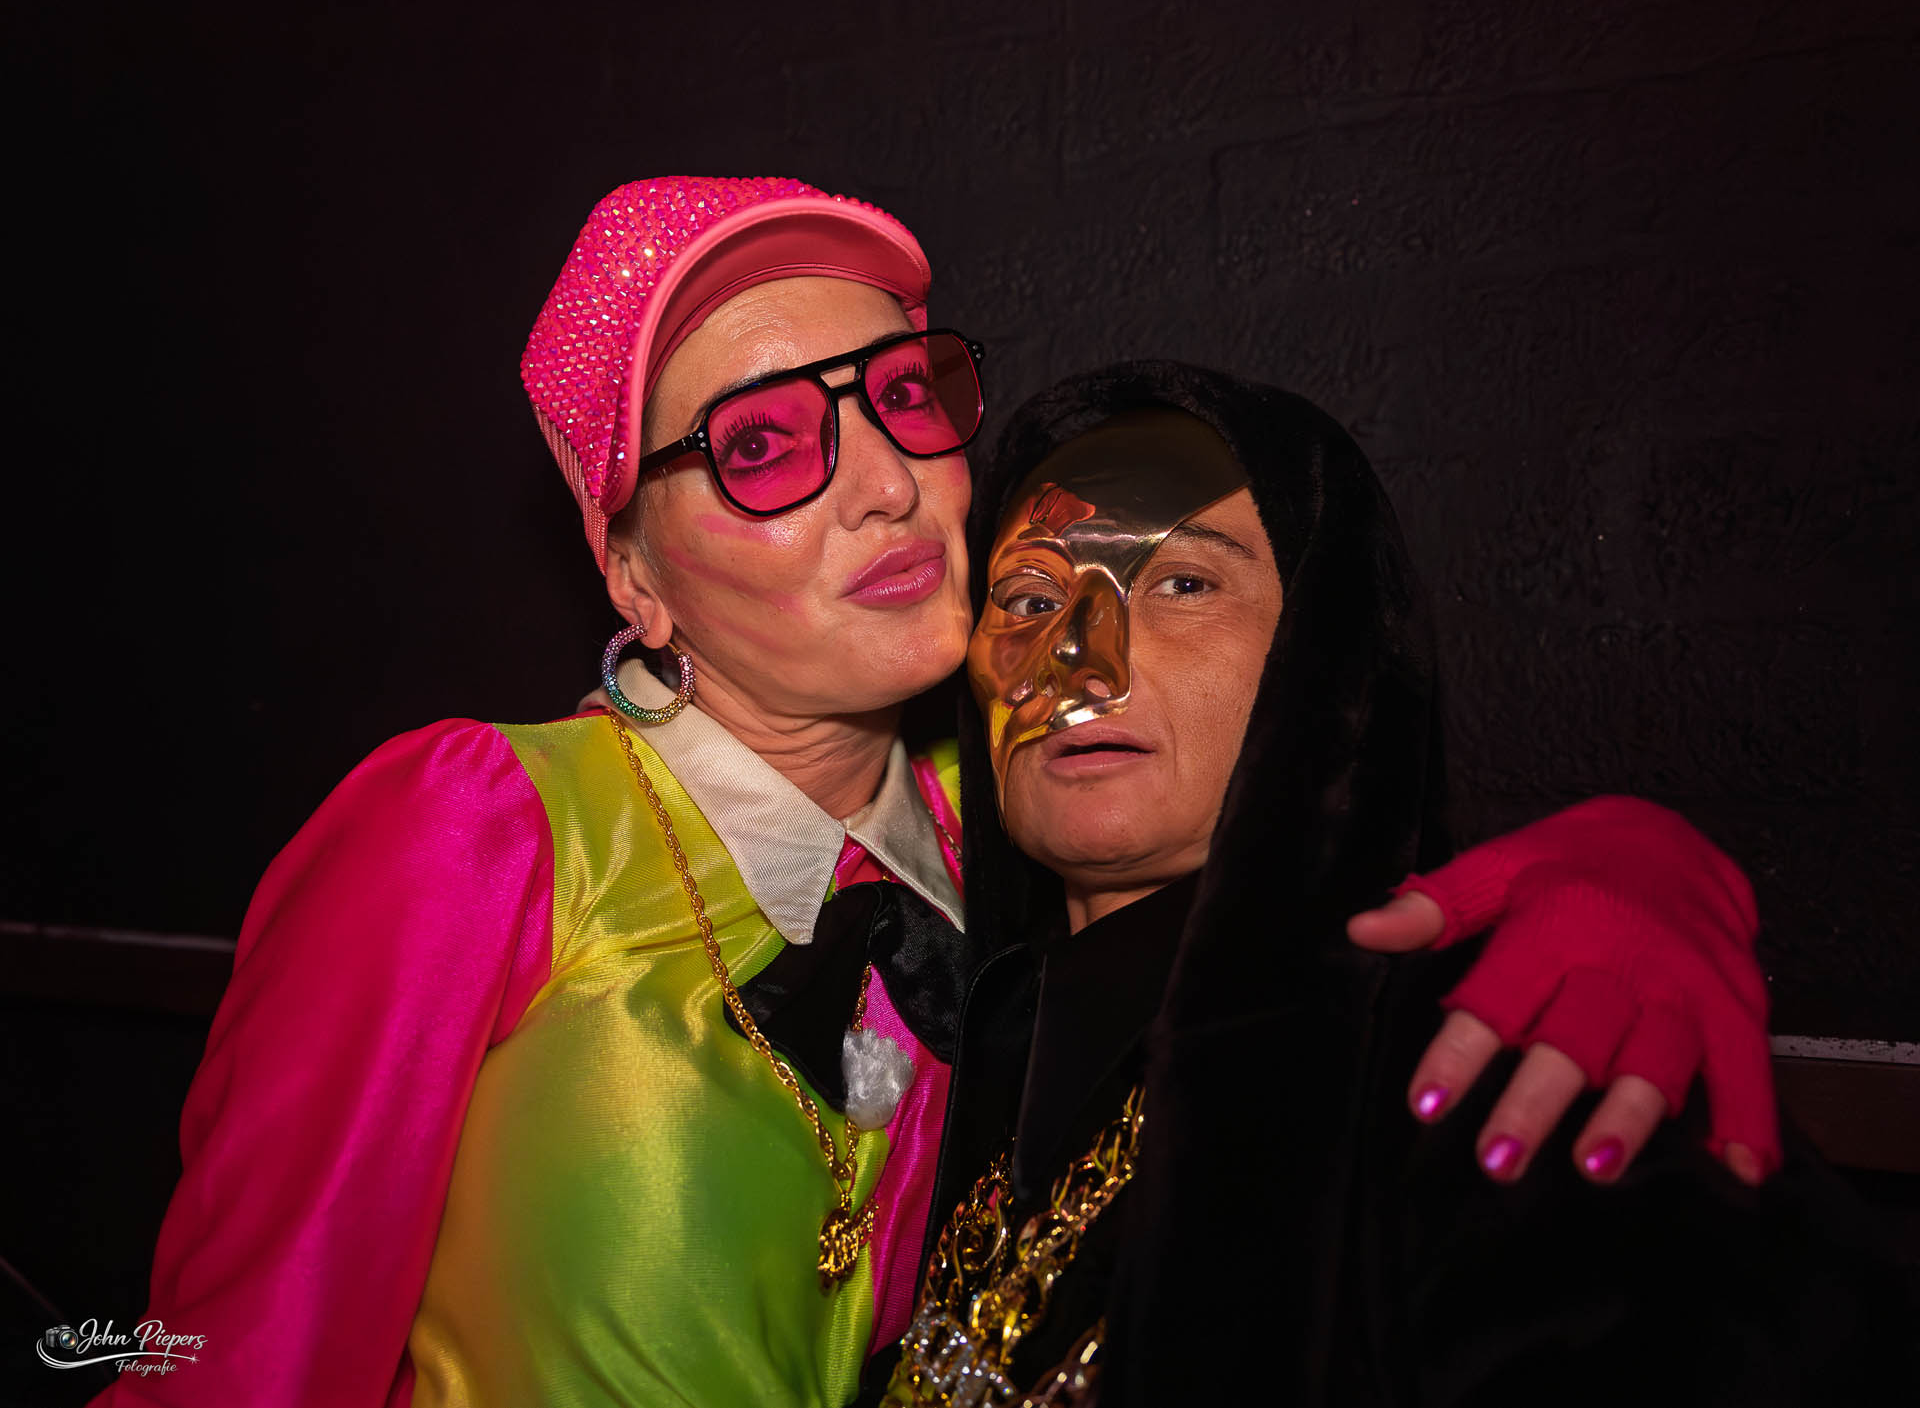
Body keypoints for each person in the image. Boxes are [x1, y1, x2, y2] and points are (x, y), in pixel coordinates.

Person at [103, 181, 1782, 1408]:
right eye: (764, 445)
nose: (888, 483)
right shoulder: (479, 824)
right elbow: (219, 1362)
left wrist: (1637, 864)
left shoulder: (1019, 839)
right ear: (635, 577)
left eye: (903, 397)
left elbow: (1314, 824)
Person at [876, 362, 1910, 1407]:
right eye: (1029, 597)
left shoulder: (1465, 1056)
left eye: (1185, 584)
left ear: (1318, 657)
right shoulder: (949, 1043)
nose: (1078, 656)